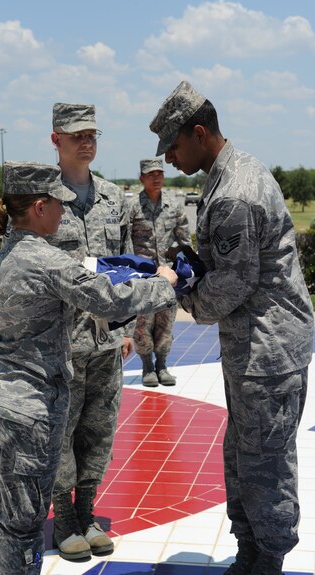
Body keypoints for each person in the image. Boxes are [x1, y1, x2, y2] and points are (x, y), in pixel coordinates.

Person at [0, 161, 178, 575]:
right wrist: (164, 283)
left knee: (0, 519)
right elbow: (107, 300)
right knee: (25, 529)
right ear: (39, 207)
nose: (65, 212)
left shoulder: (4, 257)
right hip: (31, 408)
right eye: (59, 205)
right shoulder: (47, 260)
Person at [149, 81, 314, 575]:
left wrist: (178, 289)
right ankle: (252, 554)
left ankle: (267, 560)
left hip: (267, 350)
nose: (171, 159)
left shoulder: (234, 192)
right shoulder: (231, 173)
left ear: (199, 133)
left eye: (174, 147)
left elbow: (231, 288)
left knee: (263, 462)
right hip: (258, 347)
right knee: (245, 451)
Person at [47, 103, 136, 560]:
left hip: (105, 341)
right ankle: (63, 519)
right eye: (77, 134)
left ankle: (88, 513)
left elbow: (126, 266)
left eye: (92, 134)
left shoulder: (113, 197)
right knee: (61, 431)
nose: (87, 142)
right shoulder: (43, 198)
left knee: (99, 430)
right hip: (61, 341)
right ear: (55, 139)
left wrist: (127, 327)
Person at [129, 157, 192, 387]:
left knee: (166, 322)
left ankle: (162, 365)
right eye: (151, 174)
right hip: (143, 277)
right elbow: (125, 241)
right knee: (143, 323)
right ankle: (147, 366)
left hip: (168, 277)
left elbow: (184, 240)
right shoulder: (133, 207)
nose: (156, 178)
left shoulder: (174, 206)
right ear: (142, 178)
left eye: (159, 174)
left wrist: (185, 268)